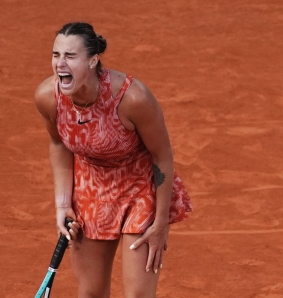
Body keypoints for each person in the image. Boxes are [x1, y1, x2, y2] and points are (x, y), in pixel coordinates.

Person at [34, 22, 193, 298]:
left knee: (138, 296)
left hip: (140, 188)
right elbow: (58, 142)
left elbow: (162, 156)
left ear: (93, 60)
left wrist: (159, 224)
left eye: (70, 56)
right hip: (90, 190)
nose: (60, 63)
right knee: (91, 293)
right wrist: (62, 203)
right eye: (56, 54)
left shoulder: (133, 98)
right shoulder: (48, 97)